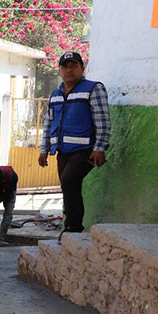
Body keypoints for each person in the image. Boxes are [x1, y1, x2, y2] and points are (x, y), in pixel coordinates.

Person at [38, 51, 110, 233]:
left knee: (69, 180)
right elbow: (48, 123)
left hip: (86, 149)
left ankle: (73, 226)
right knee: (67, 185)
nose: (69, 70)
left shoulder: (93, 89)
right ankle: (70, 223)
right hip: (62, 151)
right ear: (60, 70)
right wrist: (43, 149)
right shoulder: (55, 94)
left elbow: (102, 119)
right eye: (65, 66)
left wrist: (99, 147)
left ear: (82, 69)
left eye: (74, 66)